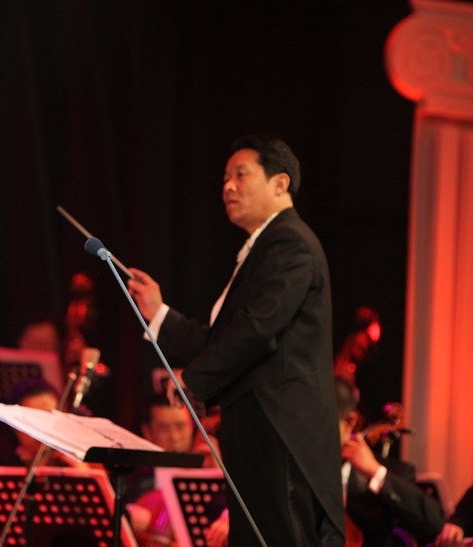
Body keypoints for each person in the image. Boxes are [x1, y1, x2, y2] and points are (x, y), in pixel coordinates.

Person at [127, 134, 345, 545]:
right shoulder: (266, 246)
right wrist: (158, 313)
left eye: (240, 175)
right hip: (258, 433)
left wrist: (191, 379)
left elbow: (257, 329)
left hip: (283, 436)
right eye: (225, 178)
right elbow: (225, 338)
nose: (227, 186)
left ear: (280, 184)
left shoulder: (290, 243)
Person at [335, 376, 444, 546]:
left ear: (350, 422)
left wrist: (376, 473)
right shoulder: (296, 470)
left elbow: (436, 525)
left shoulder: (395, 472)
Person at [126, 393, 227, 547]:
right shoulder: (129, 478)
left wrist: (217, 473)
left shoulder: (210, 469)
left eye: (180, 426)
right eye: (164, 428)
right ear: (147, 432)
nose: (174, 437)